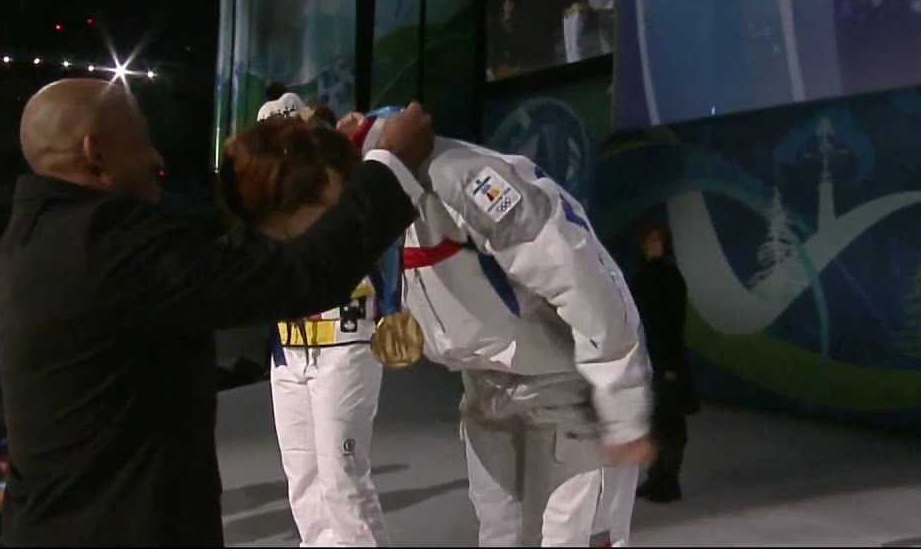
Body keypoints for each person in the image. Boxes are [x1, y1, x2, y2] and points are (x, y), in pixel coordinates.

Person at [0, 79, 433, 546]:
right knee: (315, 480)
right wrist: (391, 165)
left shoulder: (33, 239)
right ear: (95, 152)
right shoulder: (103, 245)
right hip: (116, 530)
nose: (156, 159)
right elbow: (301, 276)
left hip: (61, 524)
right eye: (141, 140)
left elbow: (212, 263)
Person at [341, 109, 656, 547]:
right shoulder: (361, 206)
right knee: (503, 537)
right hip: (487, 390)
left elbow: (586, 283)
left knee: (576, 537)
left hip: (568, 390)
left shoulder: (464, 182)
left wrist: (622, 407)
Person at [222, 115, 391, 547]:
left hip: (345, 342)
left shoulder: (338, 187)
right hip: (290, 352)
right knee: (302, 478)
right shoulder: (270, 205)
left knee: (343, 478)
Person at [631, 222, 694, 504]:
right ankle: (656, 477)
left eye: (658, 239)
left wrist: (669, 364)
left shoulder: (670, 277)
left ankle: (669, 480)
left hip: (666, 359)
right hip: (648, 357)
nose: (654, 244)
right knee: (654, 421)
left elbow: (673, 322)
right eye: (650, 239)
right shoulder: (642, 277)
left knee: (670, 421)